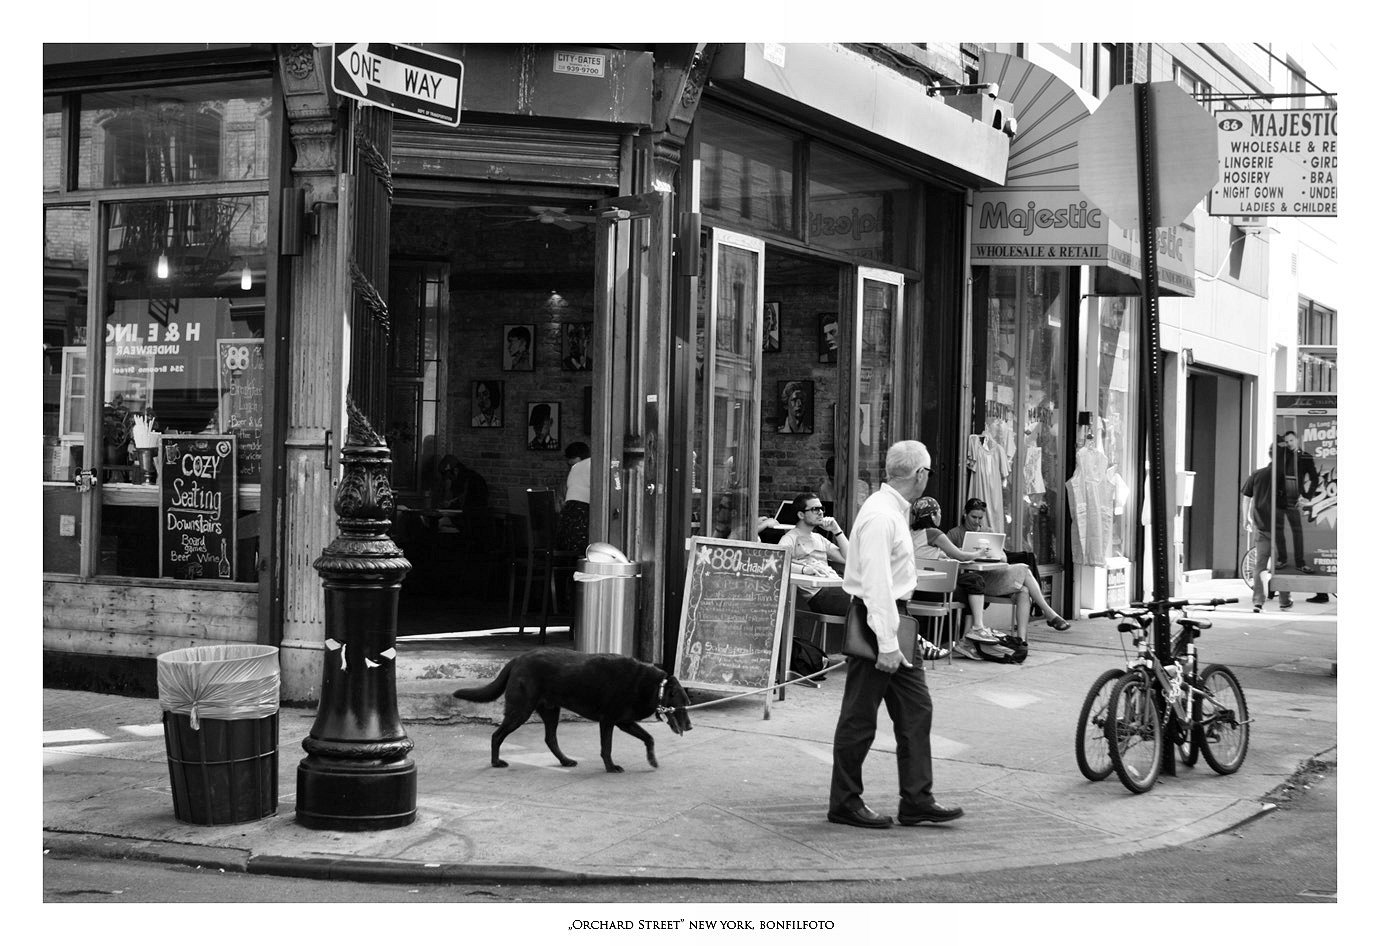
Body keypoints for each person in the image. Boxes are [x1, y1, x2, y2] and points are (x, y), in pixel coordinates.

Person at [824, 439, 963, 830]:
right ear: (919, 474)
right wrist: (886, 643)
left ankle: (917, 799)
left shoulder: (889, 511)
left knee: (916, 710)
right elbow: (877, 585)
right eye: (929, 472)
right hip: (879, 621)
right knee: (858, 718)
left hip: (891, 622)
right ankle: (845, 802)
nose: (928, 479)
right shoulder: (883, 516)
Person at [912, 497, 1068, 660]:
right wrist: (978, 553)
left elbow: (944, 555)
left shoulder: (912, 534)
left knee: (1021, 589)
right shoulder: (937, 534)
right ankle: (976, 630)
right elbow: (960, 556)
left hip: (918, 590)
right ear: (931, 515)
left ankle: (1017, 639)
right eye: (939, 513)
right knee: (976, 583)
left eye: (980, 518)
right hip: (943, 590)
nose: (940, 517)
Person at [778, 492, 850, 615]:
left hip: (836, 587)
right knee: (867, 600)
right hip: (819, 595)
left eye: (821, 508)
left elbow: (850, 559)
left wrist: (836, 530)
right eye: (815, 509)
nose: (821, 512)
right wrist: (804, 569)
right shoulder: (790, 538)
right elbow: (778, 562)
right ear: (801, 514)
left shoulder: (819, 538)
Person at [1242, 445, 1294, 612]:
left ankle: (1258, 601)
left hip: (1262, 527)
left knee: (1260, 565)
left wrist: (1246, 518)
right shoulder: (1287, 477)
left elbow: (1246, 497)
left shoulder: (1257, 474)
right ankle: (1285, 601)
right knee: (1282, 565)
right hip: (1281, 529)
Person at [1277, 430, 1317, 574]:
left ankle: (1300, 563)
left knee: (1297, 531)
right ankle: (1282, 559)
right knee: (1278, 530)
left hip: (1294, 498)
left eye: (1291, 440)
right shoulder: (1282, 454)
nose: (1289, 444)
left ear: (1297, 439)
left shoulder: (1305, 457)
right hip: (1279, 497)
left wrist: (1306, 496)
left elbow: (1315, 478)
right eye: (1286, 441)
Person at [558, 442, 591, 552]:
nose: (569, 462)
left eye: (571, 459)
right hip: (580, 525)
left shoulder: (576, 469)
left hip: (567, 527)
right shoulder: (591, 465)